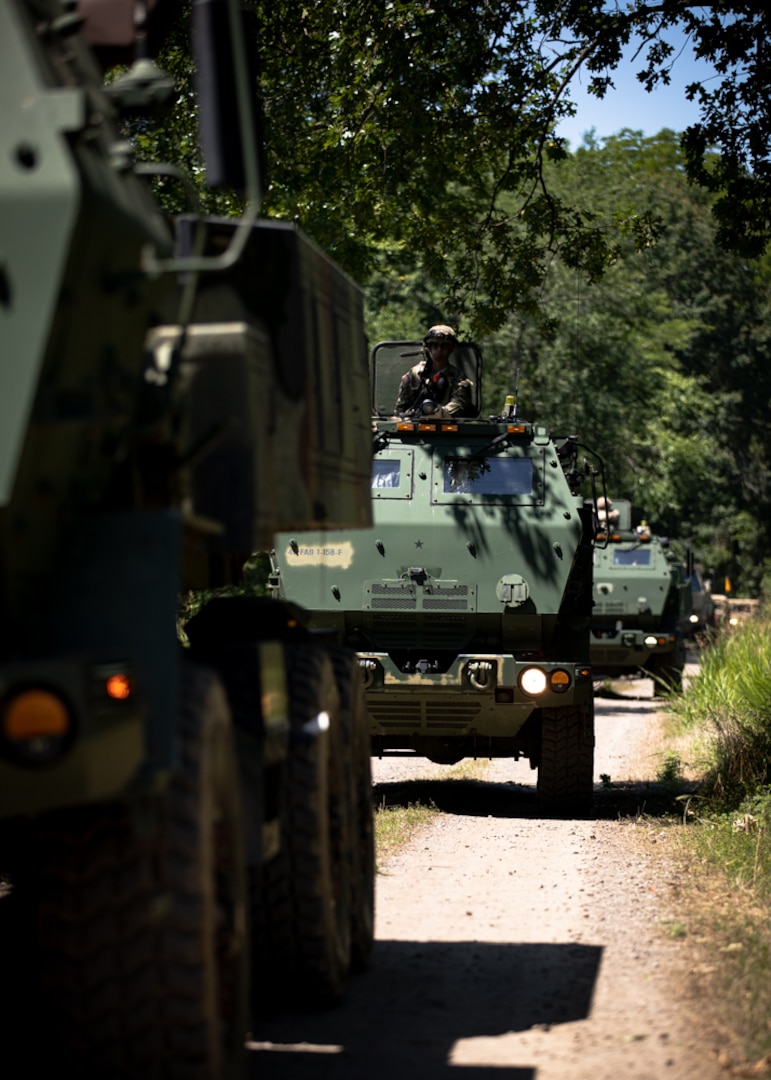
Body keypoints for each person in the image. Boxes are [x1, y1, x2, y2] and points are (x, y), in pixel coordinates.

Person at [394, 325, 473, 418]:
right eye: (435, 345)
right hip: (414, 425)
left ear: (451, 348)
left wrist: (439, 413)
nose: (439, 349)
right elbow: (401, 406)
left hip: (445, 426)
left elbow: (459, 404)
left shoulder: (458, 377)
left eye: (444, 346)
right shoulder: (416, 373)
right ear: (428, 347)